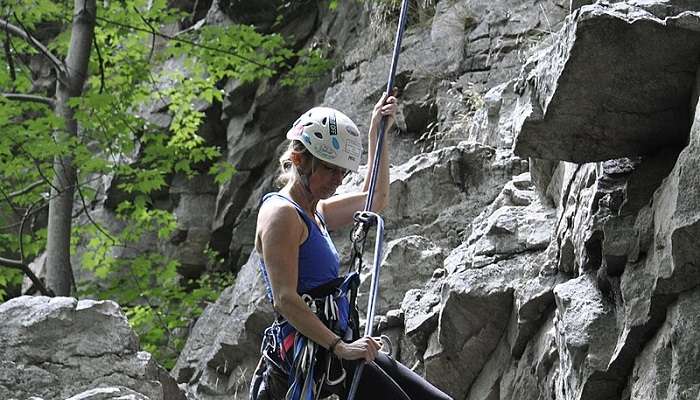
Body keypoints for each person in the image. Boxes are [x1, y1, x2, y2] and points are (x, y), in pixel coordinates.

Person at [250, 93, 452, 400]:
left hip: (337, 345)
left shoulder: (316, 211)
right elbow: (285, 299)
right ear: (300, 160)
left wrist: (377, 133)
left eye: (342, 171)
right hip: (317, 356)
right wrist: (340, 347)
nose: (338, 179)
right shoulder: (281, 215)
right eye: (331, 169)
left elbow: (375, 199)